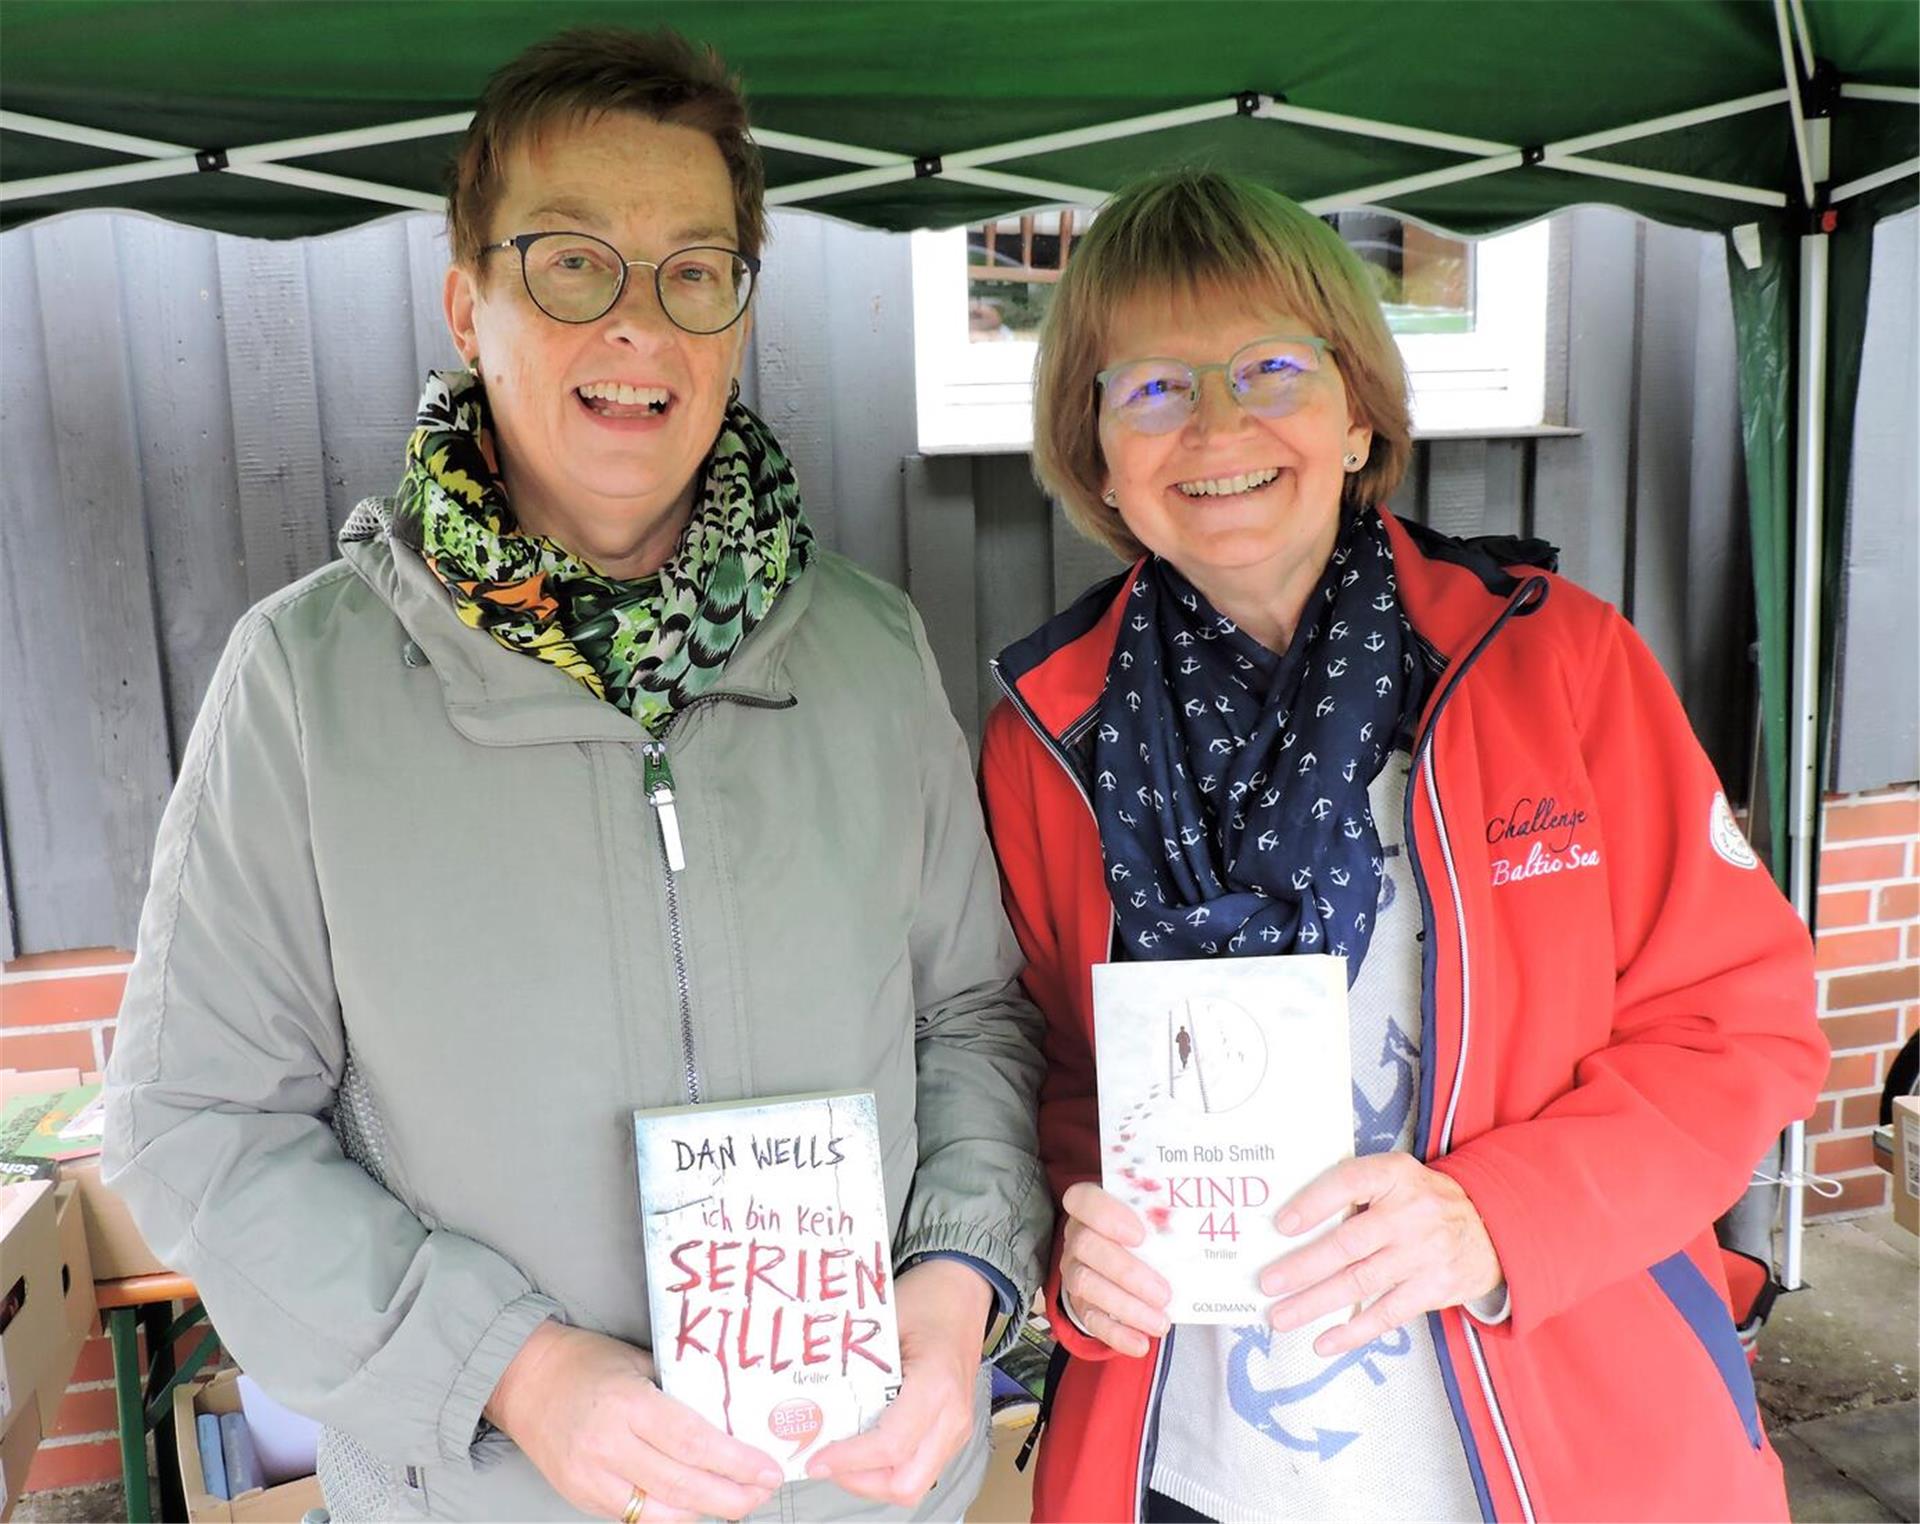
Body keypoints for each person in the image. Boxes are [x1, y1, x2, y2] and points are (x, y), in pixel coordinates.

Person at [103, 28, 1049, 1524]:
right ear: (467, 306)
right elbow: (196, 1120)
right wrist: (520, 1371)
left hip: (849, 1496)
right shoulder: (307, 684)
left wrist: (955, 1282)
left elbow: (969, 1017)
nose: (638, 324)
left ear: (737, 316)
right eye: (571, 264)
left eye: (693, 270)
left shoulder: (867, 655)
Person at [978, 169, 1827, 1523]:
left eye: (1268, 367)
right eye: (1150, 386)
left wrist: (1499, 1217)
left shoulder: (1556, 668)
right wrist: (1077, 1234)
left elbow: (1745, 1030)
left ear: (1357, 403)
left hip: (1560, 1457)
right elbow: (1051, 1076)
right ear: (1095, 448)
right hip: (1193, 1472)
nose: (1214, 426)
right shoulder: (1048, 734)